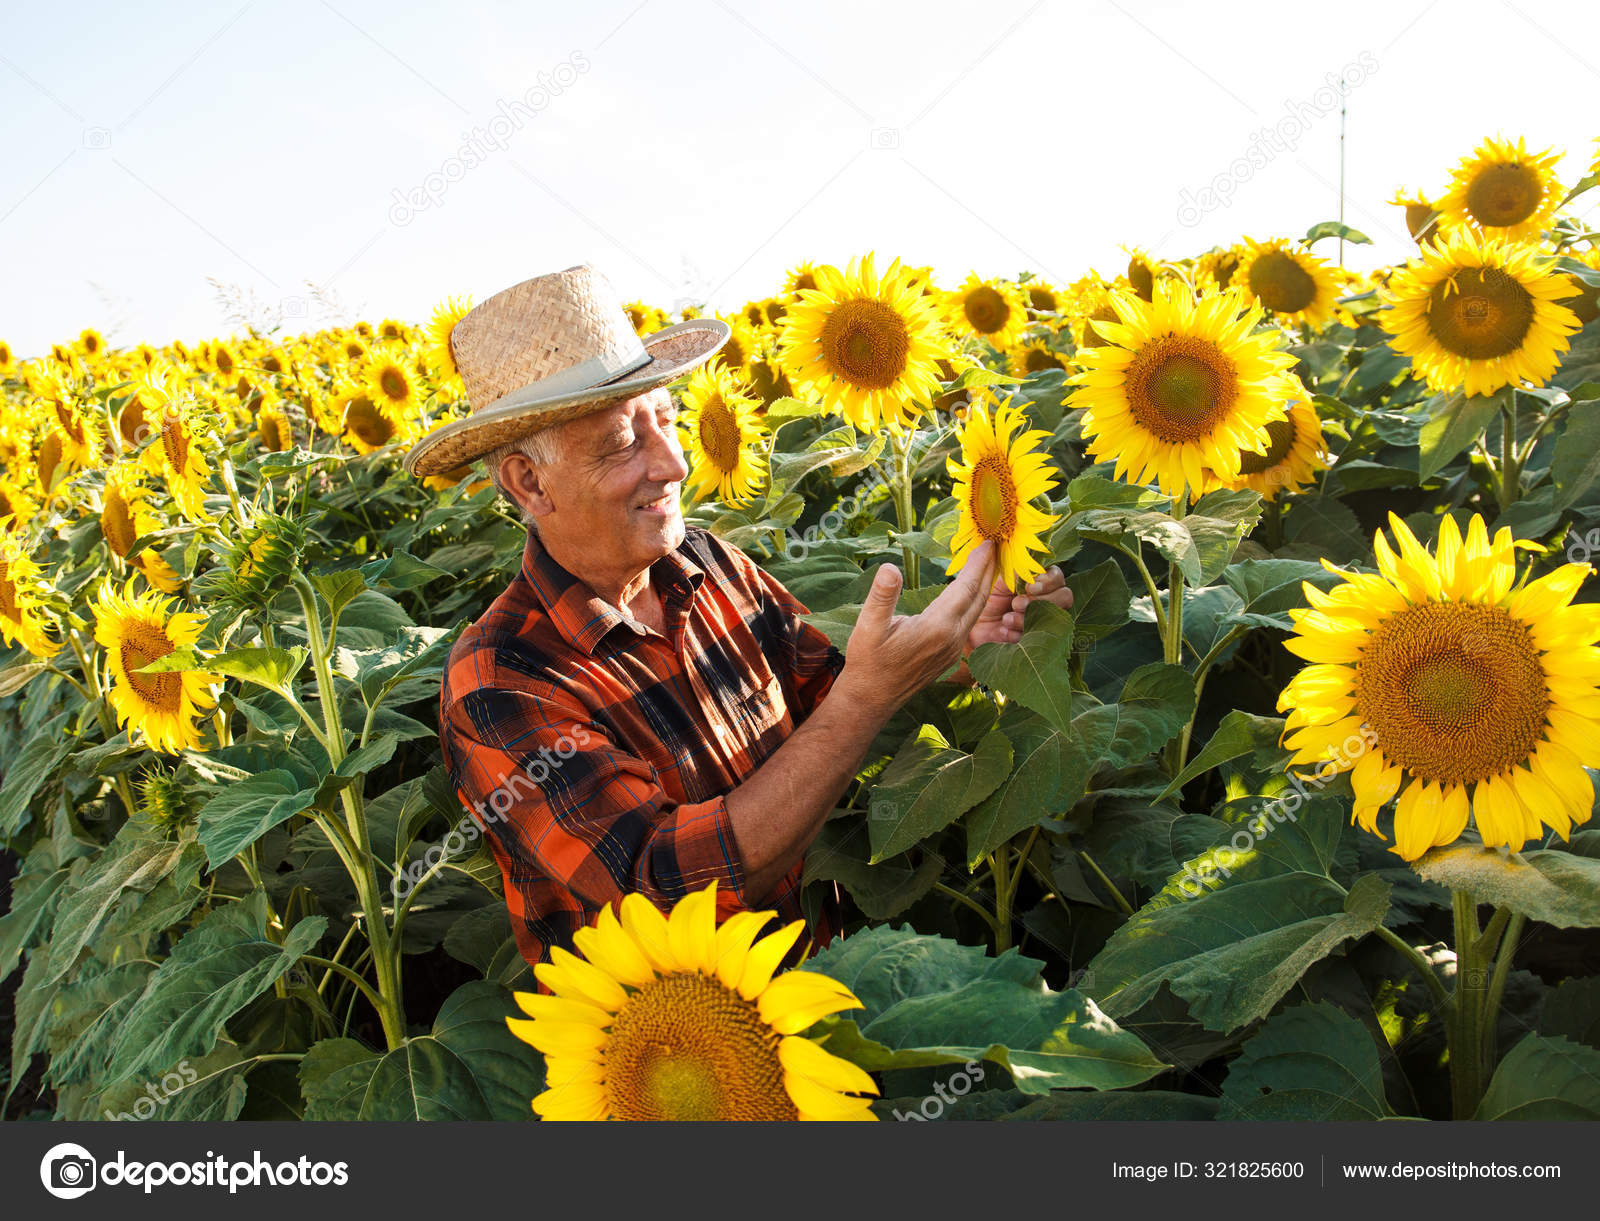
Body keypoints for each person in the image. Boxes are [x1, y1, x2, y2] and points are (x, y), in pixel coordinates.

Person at [404, 264, 1073, 972]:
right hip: (682, 1057)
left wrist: (967, 638)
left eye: (665, 420)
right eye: (623, 442)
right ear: (529, 482)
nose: (674, 464)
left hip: (828, 985)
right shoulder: (501, 678)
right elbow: (662, 887)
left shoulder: (707, 562)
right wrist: (865, 698)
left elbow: (831, 692)